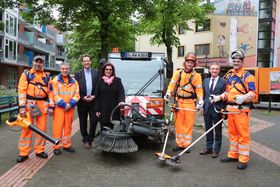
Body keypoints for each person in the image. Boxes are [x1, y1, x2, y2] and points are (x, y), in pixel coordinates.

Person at [210, 50, 257, 170]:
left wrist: (244, 97)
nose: (236, 63)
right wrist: (218, 97)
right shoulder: (230, 76)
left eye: (238, 61)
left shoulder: (248, 76)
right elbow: (227, 93)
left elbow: (253, 94)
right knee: (233, 134)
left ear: (242, 62)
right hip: (230, 110)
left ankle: (243, 159)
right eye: (234, 61)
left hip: (241, 110)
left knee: (243, 135)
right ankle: (233, 154)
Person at [17, 55, 54, 163]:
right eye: (36, 62)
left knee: (41, 130)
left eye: (40, 62)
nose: (38, 64)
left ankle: (39, 150)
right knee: (26, 129)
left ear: (43, 64)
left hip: (42, 105)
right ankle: (23, 152)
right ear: (32, 62)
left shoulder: (47, 76)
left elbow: (51, 93)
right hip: (29, 105)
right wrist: (22, 108)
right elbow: (21, 91)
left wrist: (51, 106)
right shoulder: (26, 74)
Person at [164, 52, 203, 152]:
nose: (189, 64)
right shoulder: (178, 73)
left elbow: (199, 89)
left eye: (191, 62)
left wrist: (201, 100)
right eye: (188, 62)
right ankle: (179, 144)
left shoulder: (197, 76)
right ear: (184, 62)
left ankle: (186, 145)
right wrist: (168, 93)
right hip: (179, 102)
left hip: (190, 103)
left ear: (194, 64)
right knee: (179, 124)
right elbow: (172, 84)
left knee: (188, 124)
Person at [52, 62, 80, 155]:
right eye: (63, 68)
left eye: (66, 69)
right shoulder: (55, 80)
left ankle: (66, 145)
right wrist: (65, 105)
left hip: (70, 108)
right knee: (57, 128)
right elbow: (54, 95)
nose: (65, 70)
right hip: (59, 108)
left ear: (69, 69)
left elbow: (77, 94)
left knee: (68, 127)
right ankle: (56, 146)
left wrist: (70, 104)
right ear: (60, 69)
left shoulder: (74, 82)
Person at [200, 63, 226, 158]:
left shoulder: (224, 82)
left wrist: (223, 110)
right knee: (208, 129)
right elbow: (203, 95)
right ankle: (208, 147)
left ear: (219, 71)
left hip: (217, 109)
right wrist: (202, 106)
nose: (214, 70)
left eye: (216, 69)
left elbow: (225, 97)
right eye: (213, 69)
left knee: (218, 130)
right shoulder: (205, 81)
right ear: (210, 70)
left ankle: (216, 150)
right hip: (207, 108)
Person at [75, 54, 99, 149]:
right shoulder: (78, 74)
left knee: (94, 121)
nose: (86, 62)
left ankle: (91, 139)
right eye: (84, 61)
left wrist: (94, 96)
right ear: (82, 62)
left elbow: (98, 86)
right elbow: (76, 88)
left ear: (90, 61)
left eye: (88, 60)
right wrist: (82, 97)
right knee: (83, 121)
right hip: (82, 101)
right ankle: (85, 139)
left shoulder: (96, 72)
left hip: (93, 101)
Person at [95, 63, 125, 130]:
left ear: (113, 71)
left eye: (110, 69)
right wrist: (97, 109)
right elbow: (97, 96)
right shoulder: (100, 81)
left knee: (114, 129)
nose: (108, 71)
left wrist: (121, 102)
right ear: (104, 70)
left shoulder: (117, 80)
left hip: (114, 110)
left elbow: (121, 92)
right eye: (107, 69)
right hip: (103, 110)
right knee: (104, 130)